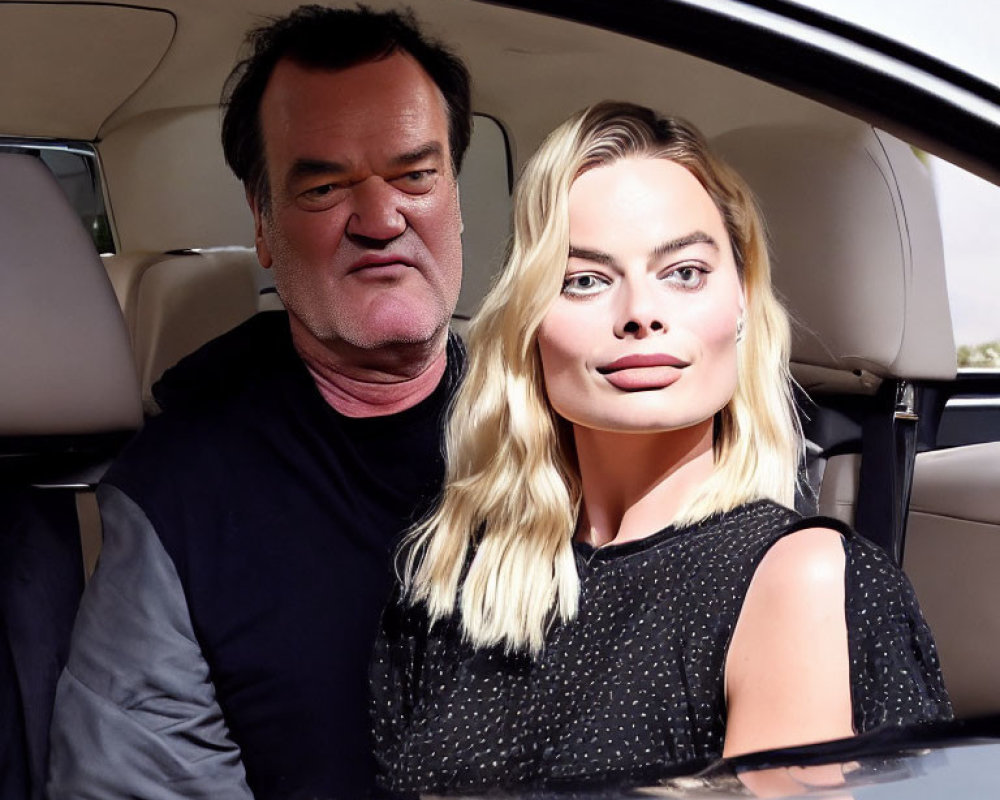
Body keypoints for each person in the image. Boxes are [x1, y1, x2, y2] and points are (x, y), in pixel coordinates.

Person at [371, 102, 952, 795]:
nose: (640, 313)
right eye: (584, 279)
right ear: (529, 322)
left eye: (683, 271)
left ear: (740, 303)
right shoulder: (452, 576)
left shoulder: (800, 580)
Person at [48, 6, 471, 799]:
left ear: (454, 198)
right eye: (325, 185)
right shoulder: (178, 497)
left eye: (416, 174)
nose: (382, 220)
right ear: (264, 227)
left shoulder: (578, 421)